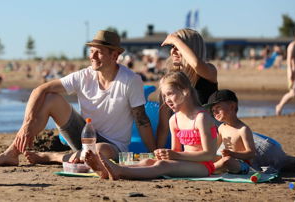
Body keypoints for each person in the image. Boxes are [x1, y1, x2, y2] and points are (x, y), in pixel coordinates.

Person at [0, 30, 156, 166]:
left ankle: (52, 157)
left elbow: (142, 120)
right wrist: (26, 124)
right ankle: (12, 153)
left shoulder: (130, 80)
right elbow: (40, 89)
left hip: (111, 147)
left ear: (114, 56)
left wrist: (155, 152)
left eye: (99, 52)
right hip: (84, 135)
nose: (92, 57)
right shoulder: (83, 76)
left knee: (98, 150)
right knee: (50, 98)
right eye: (91, 52)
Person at [85, 71, 218, 180]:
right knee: (149, 162)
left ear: (185, 91)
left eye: (170, 94)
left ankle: (120, 171)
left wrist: (174, 156)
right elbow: (175, 152)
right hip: (185, 163)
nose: (167, 101)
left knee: (163, 165)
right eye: (164, 96)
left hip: (203, 166)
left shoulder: (202, 118)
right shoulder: (174, 120)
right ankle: (109, 170)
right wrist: (167, 154)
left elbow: (209, 155)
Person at [156, 28, 218, 148]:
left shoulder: (208, 71)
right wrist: (157, 151)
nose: (173, 51)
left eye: (178, 47)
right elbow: (163, 126)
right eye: (172, 47)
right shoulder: (169, 81)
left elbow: (196, 64)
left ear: (191, 49)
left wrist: (175, 39)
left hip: (213, 141)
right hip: (190, 145)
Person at [205, 89, 256, 174]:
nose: (215, 112)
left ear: (232, 107)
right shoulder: (221, 127)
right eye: (213, 110)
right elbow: (214, 148)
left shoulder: (242, 129)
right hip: (226, 159)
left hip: (242, 164)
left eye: (218, 108)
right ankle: (210, 168)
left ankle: (207, 170)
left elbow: (251, 153)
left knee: (227, 160)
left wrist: (233, 154)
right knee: (208, 157)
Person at [276, 27, 295, 115]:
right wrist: (290, 74)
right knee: (293, 93)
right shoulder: (292, 46)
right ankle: (279, 106)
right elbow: (288, 61)